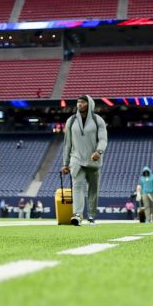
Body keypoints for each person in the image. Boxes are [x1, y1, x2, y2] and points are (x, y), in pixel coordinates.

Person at [60, 95, 108, 226]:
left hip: (94, 160)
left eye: (82, 102)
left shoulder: (98, 121)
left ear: (89, 104)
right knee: (77, 186)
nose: (79, 104)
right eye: (78, 102)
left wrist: (99, 151)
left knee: (93, 189)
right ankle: (77, 215)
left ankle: (91, 215)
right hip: (76, 159)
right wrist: (65, 163)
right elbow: (67, 144)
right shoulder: (71, 121)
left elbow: (103, 139)